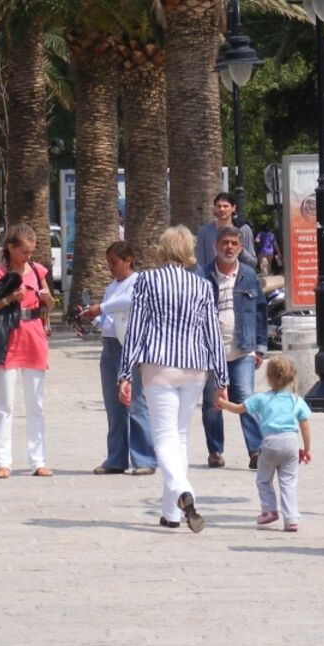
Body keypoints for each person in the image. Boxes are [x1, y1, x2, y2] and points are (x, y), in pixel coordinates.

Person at [119, 225, 227, 533]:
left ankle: (182, 490)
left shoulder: (147, 281)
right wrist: (222, 377)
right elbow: (212, 333)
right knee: (180, 436)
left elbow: (136, 327)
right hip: (195, 366)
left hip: (159, 364)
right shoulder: (202, 285)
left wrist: (125, 372)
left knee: (164, 436)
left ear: (162, 249)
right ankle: (171, 513)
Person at [0, 225, 54, 478]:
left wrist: (47, 298)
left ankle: (38, 461)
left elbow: (50, 304)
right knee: (5, 404)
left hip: (34, 337)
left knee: (36, 404)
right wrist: (8, 299)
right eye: (23, 252)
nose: (27, 257)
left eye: (31, 252)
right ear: (10, 248)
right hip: (7, 339)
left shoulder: (38, 271)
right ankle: (3, 462)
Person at [80, 241, 157, 477]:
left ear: (128, 260)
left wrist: (100, 308)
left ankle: (144, 458)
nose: (111, 267)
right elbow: (108, 321)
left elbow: (130, 301)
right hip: (110, 347)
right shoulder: (111, 287)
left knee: (135, 403)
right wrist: (92, 318)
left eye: (114, 262)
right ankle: (116, 458)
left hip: (130, 348)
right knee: (114, 406)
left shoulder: (139, 282)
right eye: (108, 263)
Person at [199, 225, 267, 470]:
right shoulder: (203, 276)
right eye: (225, 243)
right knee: (212, 403)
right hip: (211, 352)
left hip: (242, 349)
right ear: (216, 246)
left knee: (246, 398)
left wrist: (259, 347)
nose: (229, 247)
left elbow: (260, 311)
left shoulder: (248, 275)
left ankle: (256, 451)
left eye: (234, 243)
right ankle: (215, 451)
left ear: (240, 248)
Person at [218, 357, 311, 532]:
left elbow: (238, 409)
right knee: (288, 482)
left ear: (268, 377)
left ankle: (269, 510)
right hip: (291, 443)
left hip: (269, 444)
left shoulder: (261, 398)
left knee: (263, 480)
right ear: (291, 377)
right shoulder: (296, 401)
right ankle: (291, 518)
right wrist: (307, 449)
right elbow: (305, 426)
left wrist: (222, 403)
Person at [195, 192, 257, 270]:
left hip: (237, 276)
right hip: (211, 276)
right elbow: (200, 263)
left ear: (233, 208)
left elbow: (252, 263)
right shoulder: (204, 231)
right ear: (214, 208)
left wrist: (239, 250)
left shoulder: (243, 229)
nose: (222, 209)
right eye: (219, 206)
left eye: (225, 206)